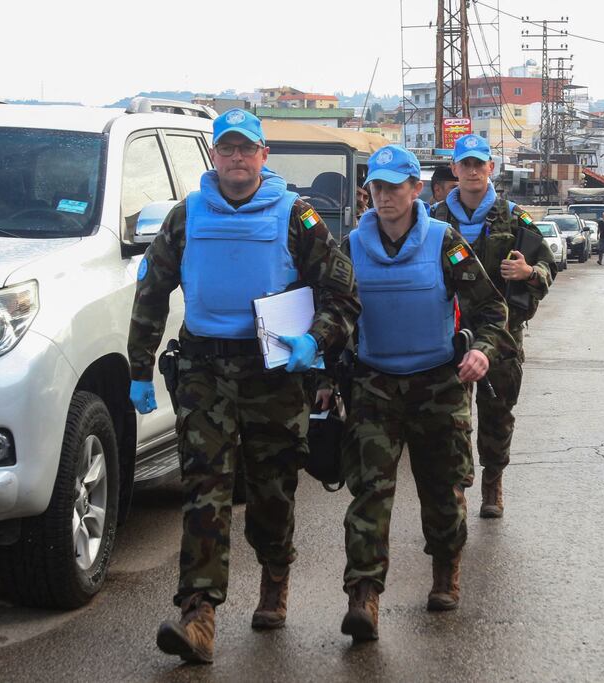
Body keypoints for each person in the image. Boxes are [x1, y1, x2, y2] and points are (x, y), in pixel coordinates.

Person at [127, 108, 360, 665]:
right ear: (214, 156)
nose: (236, 159)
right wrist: (139, 369)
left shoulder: (296, 217)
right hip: (204, 372)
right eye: (226, 149)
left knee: (271, 491)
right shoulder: (186, 217)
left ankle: (275, 574)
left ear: (263, 156)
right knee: (205, 489)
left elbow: (342, 296)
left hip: (273, 375)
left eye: (245, 149)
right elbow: (152, 292)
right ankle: (199, 614)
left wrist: (317, 342)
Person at [339, 145, 511, 642]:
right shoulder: (350, 246)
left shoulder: (444, 241)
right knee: (369, 493)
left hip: (438, 382)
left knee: (441, 490)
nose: (385, 196)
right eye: (377, 187)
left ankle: (444, 574)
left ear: (417, 189)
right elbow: (332, 311)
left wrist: (481, 351)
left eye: (396, 186)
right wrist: (325, 377)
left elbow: (491, 311)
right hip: (373, 384)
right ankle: (363, 597)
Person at [431, 134, 556, 518]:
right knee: (451, 420)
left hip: (500, 335)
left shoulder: (514, 216)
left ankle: (493, 481)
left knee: (497, 414)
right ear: (454, 169)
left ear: (491, 169)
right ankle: (459, 486)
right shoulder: (433, 218)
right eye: (464, 164)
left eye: (478, 164)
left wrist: (528, 271)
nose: (471, 171)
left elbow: (548, 266)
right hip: (447, 335)